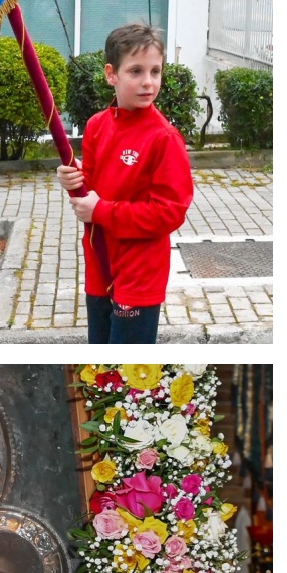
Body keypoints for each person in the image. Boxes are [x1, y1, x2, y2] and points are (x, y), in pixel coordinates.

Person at [56, 22, 194, 344]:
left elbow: (168, 213)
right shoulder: (96, 126)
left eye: (155, 71)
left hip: (139, 276)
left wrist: (101, 211)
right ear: (111, 74)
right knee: (100, 367)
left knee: (128, 373)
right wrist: (75, 175)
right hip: (99, 264)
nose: (148, 82)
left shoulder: (164, 139)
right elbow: (95, 183)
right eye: (136, 71)